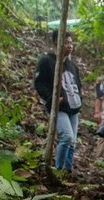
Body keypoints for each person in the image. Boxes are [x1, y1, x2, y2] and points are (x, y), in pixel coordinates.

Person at [34, 29, 83, 173]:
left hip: (73, 107)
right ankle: (57, 170)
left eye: (71, 43)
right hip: (58, 107)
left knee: (72, 142)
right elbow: (39, 83)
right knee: (66, 137)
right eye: (66, 42)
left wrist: (80, 98)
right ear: (57, 43)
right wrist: (53, 99)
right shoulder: (47, 61)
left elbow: (78, 85)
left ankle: (68, 170)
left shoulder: (72, 66)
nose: (69, 45)